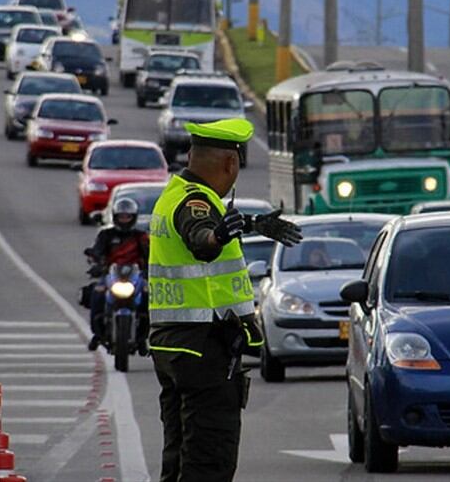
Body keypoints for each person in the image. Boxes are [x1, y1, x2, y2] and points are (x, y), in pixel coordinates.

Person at [148, 118, 302, 482]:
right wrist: (216, 236)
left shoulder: (173, 193)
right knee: (209, 457)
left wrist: (250, 224)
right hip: (203, 349)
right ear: (230, 164)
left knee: (179, 455)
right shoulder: (197, 202)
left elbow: (203, 226)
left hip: (172, 346)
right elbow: (200, 237)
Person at [85, 197, 149, 351]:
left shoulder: (140, 236)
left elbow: (150, 255)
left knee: (148, 297)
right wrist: (96, 263)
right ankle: (97, 334)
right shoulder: (106, 235)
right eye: (121, 216)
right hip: (111, 275)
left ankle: (142, 338)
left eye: (127, 216)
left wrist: (150, 269)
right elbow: (97, 251)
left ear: (133, 218)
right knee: (97, 294)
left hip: (135, 276)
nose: (124, 220)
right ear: (115, 217)